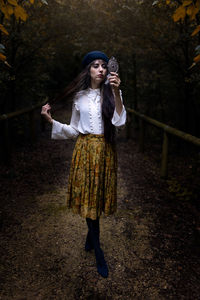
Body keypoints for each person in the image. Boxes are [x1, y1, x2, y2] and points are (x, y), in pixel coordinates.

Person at [41, 51, 126, 278]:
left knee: (98, 196)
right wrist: (52, 122)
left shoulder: (113, 93)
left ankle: (91, 238)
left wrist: (117, 92)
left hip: (106, 151)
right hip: (85, 150)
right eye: (96, 65)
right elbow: (74, 131)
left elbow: (120, 122)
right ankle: (98, 252)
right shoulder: (79, 97)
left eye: (104, 66)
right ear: (88, 70)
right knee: (89, 196)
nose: (101, 69)